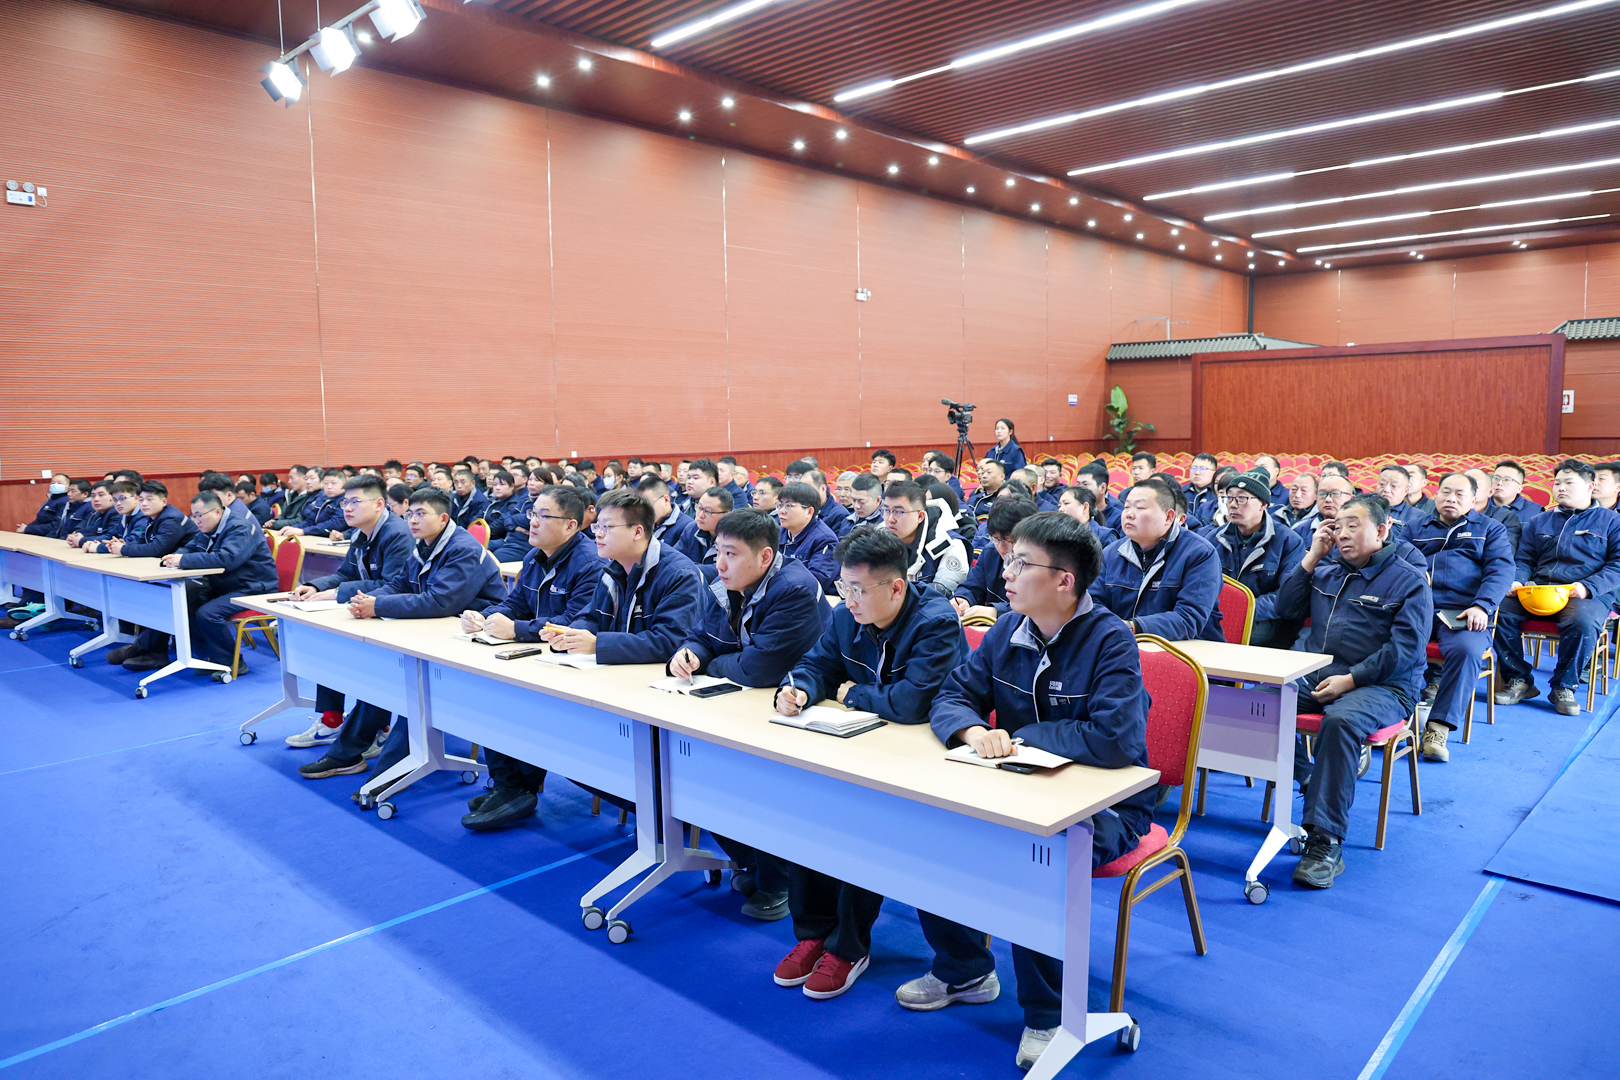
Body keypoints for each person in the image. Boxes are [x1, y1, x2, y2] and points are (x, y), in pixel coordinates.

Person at [900, 511, 1151, 1072]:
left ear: (1065, 581)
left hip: (1108, 804)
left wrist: (1020, 737)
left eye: (1020, 563)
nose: (1005, 573)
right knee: (932, 828)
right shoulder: (1007, 629)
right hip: (1016, 785)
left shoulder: (1110, 640)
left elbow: (1115, 740)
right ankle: (964, 969)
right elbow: (953, 696)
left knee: (1039, 855)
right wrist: (973, 731)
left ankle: (1050, 1014)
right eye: (1008, 560)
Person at [771, 526, 966, 1000]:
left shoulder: (935, 621)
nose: (849, 599)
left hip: (925, 763)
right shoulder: (846, 617)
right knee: (808, 808)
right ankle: (814, 933)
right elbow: (815, 665)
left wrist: (852, 693)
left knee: (864, 823)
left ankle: (847, 946)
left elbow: (914, 703)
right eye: (844, 586)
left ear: (896, 587)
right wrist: (797, 689)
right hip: (861, 747)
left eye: (858, 589)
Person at [1273, 494, 1431, 886]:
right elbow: (1286, 610)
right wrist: (1312, 556)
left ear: (1382, 530)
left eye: (1353, 526)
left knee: (1340, 721)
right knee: (1258, 701)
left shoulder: (1409, 579)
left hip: (1385, 684)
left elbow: (1406, 651)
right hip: (1319, 672)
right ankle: (1312, 779)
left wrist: (1352, 679)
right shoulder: (1327, 570)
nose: (1342, 534)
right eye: (1337, 526)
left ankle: (1325, 842)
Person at [299, 488, 507, 782]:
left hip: (473, 637)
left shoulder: (463, 548)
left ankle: (383, 777)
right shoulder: (423, 545)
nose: (412, 520)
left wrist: (378, 606)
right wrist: (369, 600)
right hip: (437, 629)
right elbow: (400, 584)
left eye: (421, 514)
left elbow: (440, 602)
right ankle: (347, 754)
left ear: (443, 518)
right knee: (383, 679)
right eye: (409, 514)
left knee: (414, 689)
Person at [458, 485, 605, 830]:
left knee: (505, 699)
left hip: (572, 664)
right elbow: (515, 603)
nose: (533, 522)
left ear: (570, 525)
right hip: (538, 656)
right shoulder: (534, 556)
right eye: (532, 513)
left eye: (543, 516)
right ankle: (509, 786)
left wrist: (516, 629)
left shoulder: (589, 563)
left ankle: (515, 788)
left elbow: (574, 621)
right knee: (488, 685)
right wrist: (485, 617)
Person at [281, 476, 417, 749]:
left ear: (379, 504)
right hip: (368, 609)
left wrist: (336, 593)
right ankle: (332, 721)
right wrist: (315, 586)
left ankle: (378, 728)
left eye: (356, 501)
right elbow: (345, 574)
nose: (348, 508)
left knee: (358, 657)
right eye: (345, 502)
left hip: (397, 615)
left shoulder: (397, 534)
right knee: (328, 642)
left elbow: (393, 585)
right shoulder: (360, 533)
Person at [1493, 459, 1620, 716]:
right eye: (1557, 482)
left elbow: (1617, 564)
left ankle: (1564, 686)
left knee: (1582, 622)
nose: (1560, 488)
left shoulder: (1612, 521)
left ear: (1590, 487)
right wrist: (1517, 580)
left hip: (1586, 593)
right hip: (1540, 589)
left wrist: (1587, 587)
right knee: (1496, 611)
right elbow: (1525, 559)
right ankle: (1518, 679)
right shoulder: (1540, 520)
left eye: (1569, 482)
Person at [1406, 472, 1514, 761]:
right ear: (1436, 494)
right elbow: (1398, 562)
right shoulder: (1415, 527)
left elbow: (1501, 570)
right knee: (1382, 638)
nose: (1451, 498)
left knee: (1466, 650)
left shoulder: (1490, 529)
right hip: (1417, 607)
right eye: (1445, 492)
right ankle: (1394, 717)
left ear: (1474, 499)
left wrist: (1482, 605)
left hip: (1464, 610)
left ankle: (1438, 728)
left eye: (1459, 494)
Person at [116, 491, 279, 674]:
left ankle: (231, 662)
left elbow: (226, 559)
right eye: (193, 515)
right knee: (184, 600)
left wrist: (183, 560)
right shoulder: (210, 526)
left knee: (207, 613)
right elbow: (191, 547)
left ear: (217, 512)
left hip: (253, 587)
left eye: (200, 515)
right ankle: (206, 657)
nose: (196, 520)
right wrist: (176, 556)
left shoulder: (239, 528)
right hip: (226, 584)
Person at [1091, 478, 1224, 641]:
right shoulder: (1111, 553)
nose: (1129, 514)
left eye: (1140, 508)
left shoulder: (1199, 553)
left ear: (1169, 517)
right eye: (1126, 507)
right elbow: (1094, 603)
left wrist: (1133, 626)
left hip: (1188, 649)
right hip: (1124, 644)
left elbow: (1189, 618)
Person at [1214, 471, 1307, 647]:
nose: (1232, 504)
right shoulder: (1214, 538)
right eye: (1229, 498)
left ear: (1263, 504)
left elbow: (1287, 595)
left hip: (1267, 619)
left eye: (1241, 498)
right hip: (1221, 614)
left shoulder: (1289, 541)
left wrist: (1243, 608)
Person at [952, 497, 1037, 622]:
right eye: (996, 539)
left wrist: (996, 611)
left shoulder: (1039, 563)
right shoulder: (990, 553)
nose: (1001, 547)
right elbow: (972, 586)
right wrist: (964, 599)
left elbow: (1038, 606)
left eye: (1008, 540)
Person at [882, 481, 969, 597]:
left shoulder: (950, 544)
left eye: (899, 512)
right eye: (887, 510)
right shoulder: (878, 535)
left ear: (920, 516)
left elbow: (939, 594)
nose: (890, 519)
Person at [775, 482, 840, 593]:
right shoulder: (778, 532)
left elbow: (815, 581)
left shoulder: (825, 539)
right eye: (780, 505)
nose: (781, 511)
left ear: (809, 512)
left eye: (789, 506)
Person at [637, 474, 702, 558]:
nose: (644, 510)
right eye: (640, 506)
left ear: (666, 500)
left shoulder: (687, 527)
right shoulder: (643, 523)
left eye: (648, 505)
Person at [277, 469, 347, 539]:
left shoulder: (345, 500)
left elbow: (335, 524)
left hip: (333, 539)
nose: (329, 487)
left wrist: (304, 531)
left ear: (344, 484)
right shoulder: (322, 498)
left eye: (333, 483)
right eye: (326, 483)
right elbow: (310, 521)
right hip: (315, 537)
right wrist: (293, 528)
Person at [484, 468, 536, 562]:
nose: (497, 488)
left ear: (512, 486)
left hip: (517, 542)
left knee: (492, 557)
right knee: (476, 547)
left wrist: (513, 522)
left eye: (502, 484)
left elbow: (501, 525)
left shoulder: (517, 502)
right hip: (508, 539)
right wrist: (514, 526)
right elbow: (507, 520)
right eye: (495, 484)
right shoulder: (490, 501)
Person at [1467, 467, 1522, 553]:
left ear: (1490, 492)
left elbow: (1504, 554)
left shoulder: (1506, 517)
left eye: (1474, 485)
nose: (1466, 489)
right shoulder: (1448, 512)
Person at [688, 486, 734, 576]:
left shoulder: (735, 538)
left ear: (727, 515)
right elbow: (675, 557)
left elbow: (725, 570)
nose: (700, 515)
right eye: (699, 508)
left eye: (708, 511)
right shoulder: (692, 528)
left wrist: (688, 569)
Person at [1489, 460, 1543, 525]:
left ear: (1519, 488)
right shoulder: (1480, 506)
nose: (1499, 483)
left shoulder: (1535, 512)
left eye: (1507, 479)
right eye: (1496, 478)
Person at [1375, 465, 1426, 532]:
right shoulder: (1365, 508)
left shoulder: (1418, 516)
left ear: (1406, 490)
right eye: (1382, 484)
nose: (1386, 490)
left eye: (1394, 486)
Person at [1074, 460, 1121, 529]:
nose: (1080, 489)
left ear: (1102, 488)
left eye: (1085, 484)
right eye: (1078, 484)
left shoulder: (1118, 517)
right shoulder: (1074, 513)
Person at [806, 470, 851, 536]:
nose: (803, 493)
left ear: (823, 489)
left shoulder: (840, 514)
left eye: (808, 490)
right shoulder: (803, 508)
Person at [966, 459, 1005, 528]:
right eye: (983, 473)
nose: (984, 476)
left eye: (989, 472)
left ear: (1002, 477)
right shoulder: (974, 496)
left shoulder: (1007, 498)